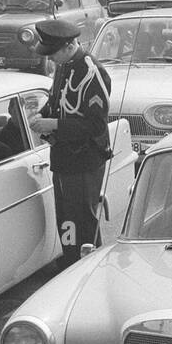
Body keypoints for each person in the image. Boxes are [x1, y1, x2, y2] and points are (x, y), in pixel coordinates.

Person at [31, 18, 114, 265]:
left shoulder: (92, 72)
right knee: (66, 218)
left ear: (68, 46)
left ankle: (88, 266)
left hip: (85, 160)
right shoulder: (64, 66)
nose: (50, 59)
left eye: (53, 53)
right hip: (64, 157)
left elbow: (96, 125)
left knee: (83, 220)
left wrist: (54, 125)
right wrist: (42, 116)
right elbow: (57, 102)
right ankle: (70, 260)